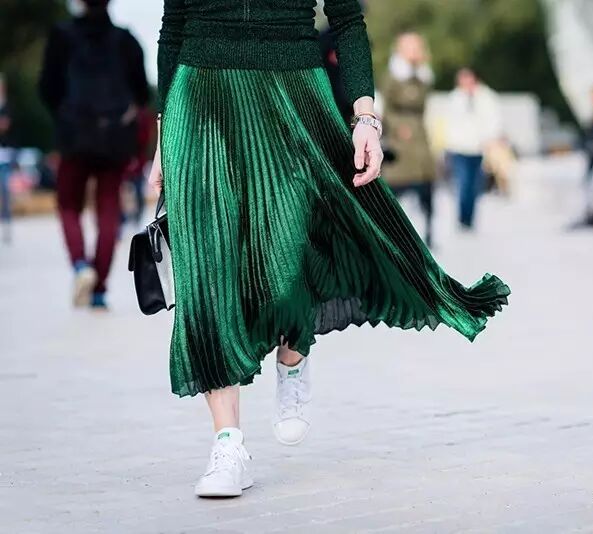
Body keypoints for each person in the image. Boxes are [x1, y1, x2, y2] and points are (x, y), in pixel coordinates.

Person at [150, 0, 510, 498]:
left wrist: (365, 117)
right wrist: (163, 133)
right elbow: (172, 27)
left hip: (293, 89)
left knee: (290, 257)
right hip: (200, 99)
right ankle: (227, 444)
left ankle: (293, 353)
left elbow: (347, 20)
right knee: (209, 271)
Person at [39, 0, 149, 309]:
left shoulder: (62, 36)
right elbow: (141, 92)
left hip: (74, 133)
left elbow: (47, 87)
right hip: (114, 137)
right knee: (109, 209)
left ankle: (80, 265)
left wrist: (63, 114)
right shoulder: (126, 40)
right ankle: (99, 289)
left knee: (68, 204)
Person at [381, 32, 437, 246]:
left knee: (426, 184)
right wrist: (397, 128)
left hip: (420, 136)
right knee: (398, 184)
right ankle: (393, 233)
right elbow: (386, 107)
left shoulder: (423, 76)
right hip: (401, 137)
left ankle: (428, 232)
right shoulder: (393, 76)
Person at [444, 68, 501, 230]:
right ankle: (463, 218)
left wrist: (490, 139)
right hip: (459, 148)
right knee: (463, 183)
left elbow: (493, 120)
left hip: (478, 148)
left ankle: (469, 218)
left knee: (474, 185)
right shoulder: (455, 98)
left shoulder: (486, 97)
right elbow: (450, 123)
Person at [0, 74, 13, 243]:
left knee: (5, 191)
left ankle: (7, 224)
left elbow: (5, 126)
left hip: (4, 156)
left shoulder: (7, 107)